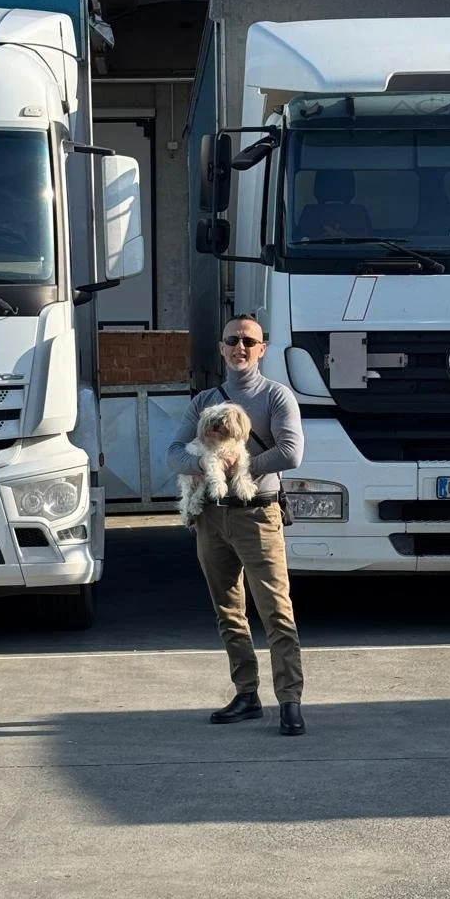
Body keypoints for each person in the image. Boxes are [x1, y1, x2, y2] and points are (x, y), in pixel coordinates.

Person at [167, 315, 307, 735]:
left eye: (249, 341)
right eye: (233, 340)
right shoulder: (205, 401)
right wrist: (207, 467)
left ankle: (290, 700)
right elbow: (174, 453)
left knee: (276, 612)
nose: (240, 347)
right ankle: (246, 693)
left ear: (262, 348)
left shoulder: (277, 397)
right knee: (228, 611)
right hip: (211, 516)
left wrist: (236, 468)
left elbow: (290, 453)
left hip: (258, 514)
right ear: (222, 348)